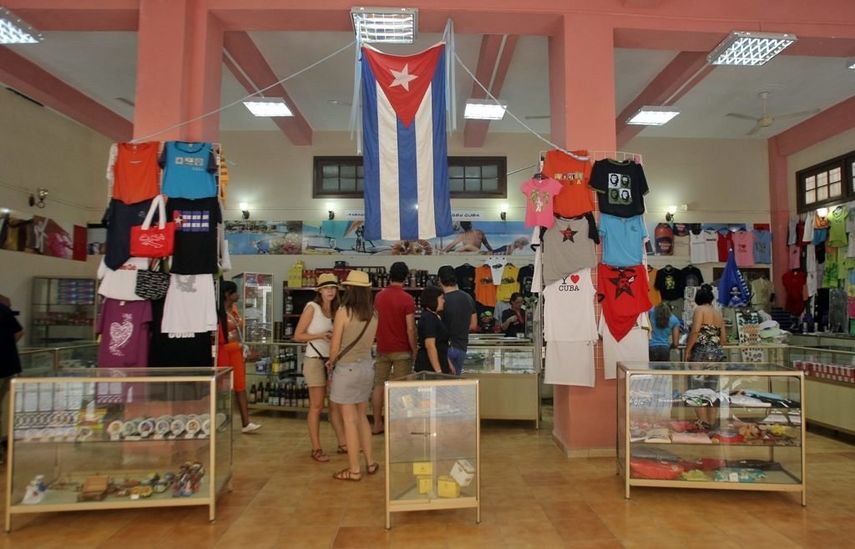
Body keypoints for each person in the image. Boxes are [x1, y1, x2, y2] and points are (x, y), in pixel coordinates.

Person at [327, 270, 379, 481]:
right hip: (367, 367)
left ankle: (354, 469)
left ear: (350, 289)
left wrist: (331, 362)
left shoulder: (343, 311)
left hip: (346, 369)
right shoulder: (374, 314)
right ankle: (370, 461)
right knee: (361, 417)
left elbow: (335, 344)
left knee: (348, 420)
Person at [293, 273, 347, 462]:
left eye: (333, 288)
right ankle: (316, 448)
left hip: (332, 360)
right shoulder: (312, 307)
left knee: (335, 405)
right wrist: (321, 335)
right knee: (316, 406)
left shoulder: (338, 309)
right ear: (320, 290)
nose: (330, 291)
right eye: (326, 288)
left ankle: (343, 443)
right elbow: (298, 335)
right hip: (315, 359)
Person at [371, 261, 417, 435]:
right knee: (400, 389)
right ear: (406, 277)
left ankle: (377, 423)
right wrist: (414, 349)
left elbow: (375, 320)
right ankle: (398, 425)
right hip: (401, 349)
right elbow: (410, 328)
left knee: (378, 386)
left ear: (390, 275)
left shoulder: (379, 296)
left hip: (382, 347)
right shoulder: (407, 299)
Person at [217, 281, 261, 434]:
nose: (238, 295)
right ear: (227, 294)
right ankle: (217, 419)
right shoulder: (217, 312)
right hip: (225, 353)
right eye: (235, 292)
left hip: (237, 352)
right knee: (220, 388)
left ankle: (246, 422)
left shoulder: (234, 309)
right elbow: (218, 340)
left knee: (240, 386)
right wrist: (239, 347)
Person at [437, 266, 477, 375]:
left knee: (442, 385)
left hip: (445, 349)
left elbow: (437, 327)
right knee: (454, 384)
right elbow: (474, 325)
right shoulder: (468, 298)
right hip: (462, 347)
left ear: (440, 280)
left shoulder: (441, 301)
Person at [0, 294, 23, 463]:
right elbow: (19, 331)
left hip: (6, 369)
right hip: (8, 368)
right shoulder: (4, 311)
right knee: (5, 407)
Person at [414, 285, 453, 374]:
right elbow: (430, 346)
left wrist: (448, 363)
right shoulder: (428, 318)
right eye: (441, 298)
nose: (444, 301)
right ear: (433, 299)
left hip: (440, 363)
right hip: (429, 367)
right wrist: (438, 371)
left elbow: (441, 344)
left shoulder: (435, 317)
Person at [685, 284, 726, 362]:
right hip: (717, 351)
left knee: (697, 374)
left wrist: (688, 350)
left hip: (701, 349)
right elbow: (723, 338)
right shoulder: (718, 313)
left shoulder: (699, 310)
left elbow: (695, 331)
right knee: (713, 374)